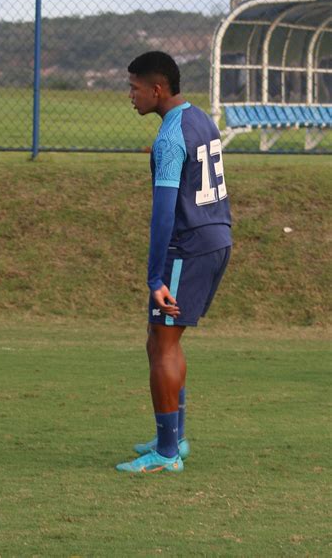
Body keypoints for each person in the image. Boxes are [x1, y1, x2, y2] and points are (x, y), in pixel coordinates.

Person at [116, 51, 232, 473]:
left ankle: (166, 455)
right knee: (161, 337)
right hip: (217, 234)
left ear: (157, 89)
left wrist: (155, 276)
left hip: (188, 245)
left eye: (134, 87)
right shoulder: (199, 117)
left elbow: (163, 213)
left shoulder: (169, 138)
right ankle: (174, 438)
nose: (130, 95)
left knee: (163, 341)